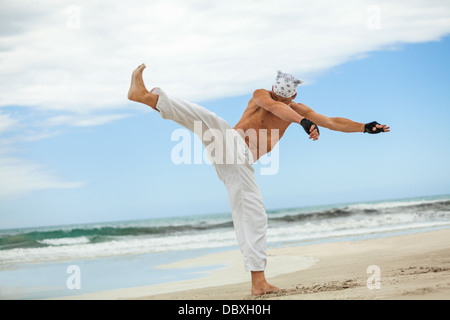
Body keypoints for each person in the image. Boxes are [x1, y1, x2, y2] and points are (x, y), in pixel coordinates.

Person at [127, 64, 390, 295]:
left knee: (252, 214)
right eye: (275, 93)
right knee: (209, 120)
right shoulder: (262, 96)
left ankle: (258, 283)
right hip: (233, 146)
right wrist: (303, 123)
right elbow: (274, 106)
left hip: (236, 163)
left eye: (281, 95)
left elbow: (333, 121)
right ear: (273, 89)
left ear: (294, 95)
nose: (276, 97)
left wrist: (365, 127)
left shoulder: (299, 110)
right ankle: (149, 98)